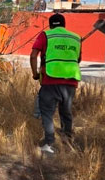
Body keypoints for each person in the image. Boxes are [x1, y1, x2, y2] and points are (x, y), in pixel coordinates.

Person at [30, 12, 81, 155]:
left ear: (50, 25)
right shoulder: (76, 37)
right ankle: (68, 142)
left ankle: (49, 143)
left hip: (51, 79)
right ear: (64, 24)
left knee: (47, 113)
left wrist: (35, 74)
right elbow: (77, 59)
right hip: (71, 81)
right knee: (66, 112)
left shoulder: (46, 35)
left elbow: (33, 55)